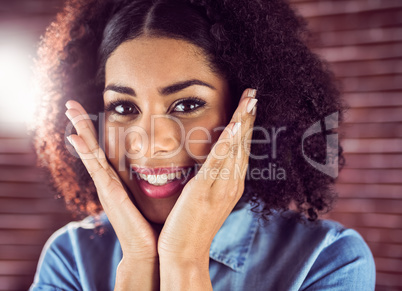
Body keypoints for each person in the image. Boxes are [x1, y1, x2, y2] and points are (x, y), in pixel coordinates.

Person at [30, 0, 376, 290]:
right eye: (123, 108)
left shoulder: (329, 260)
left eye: (186, 105)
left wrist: (185, 260)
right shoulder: (70, 258)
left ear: (248, 114)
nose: (150, 144)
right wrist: (137, 259)